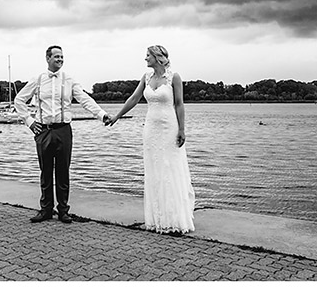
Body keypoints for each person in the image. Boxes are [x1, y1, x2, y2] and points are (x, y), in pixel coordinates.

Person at [13, 45, 112, 224]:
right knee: (45, 172)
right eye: (56, 56)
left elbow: (84, 99)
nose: (60, 59)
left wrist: (101, 115)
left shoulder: (69, 80)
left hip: (64, 130)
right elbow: (19, 100)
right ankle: (45, 210)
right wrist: (29, 121)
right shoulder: (38, 79)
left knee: (63, 171)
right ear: (47, 58)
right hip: (43, 131)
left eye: (62, 57)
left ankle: (64, 210)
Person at [107, 44, 195, 234]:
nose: (145, 58)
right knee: (155, 170)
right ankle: (158, 218)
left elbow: (179, 104)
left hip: (169, 128)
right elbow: (133, 98)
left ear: (158, 57)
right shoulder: (146, 77)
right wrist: (117, 116)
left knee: (170, 169)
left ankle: (175, 218)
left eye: (148, 55)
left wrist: (182, 129)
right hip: (151, 130)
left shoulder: (174, 77)